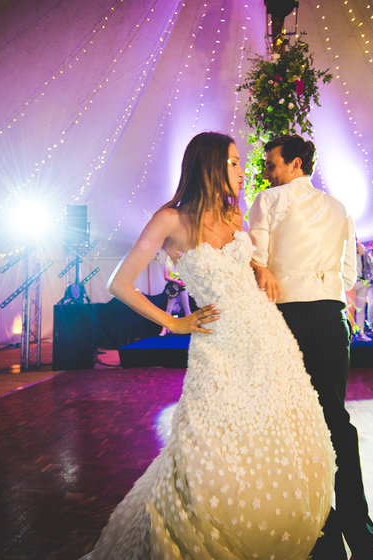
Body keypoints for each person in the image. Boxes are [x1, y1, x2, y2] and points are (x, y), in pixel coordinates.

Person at [84, 132, 336, 559]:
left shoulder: (233, 216)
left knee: (279, 433)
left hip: (269, 339)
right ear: (211, 165)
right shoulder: (170, 220)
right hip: (218, 345)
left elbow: (244, 262)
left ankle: (269, 527)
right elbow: (119, 283)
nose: (243, 171)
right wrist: (173, 323)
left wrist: (260, 268)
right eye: (235, 162)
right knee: (210, 443)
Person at [249, 134, 373, 560]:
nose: (267, 172)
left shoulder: (267, 202)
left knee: (293, 423)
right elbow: (349, 272)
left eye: (272, 164)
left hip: (285, 318)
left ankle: (318, 532)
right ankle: (363, 536)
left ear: (294, 163)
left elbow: (256, 259)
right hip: (330, 316)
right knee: (336, 422)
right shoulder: (339, 208)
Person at [159, 254, 191, 336]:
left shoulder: (183, 262)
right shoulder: (168, 261)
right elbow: (166, 276)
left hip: (182, 286)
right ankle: (164, 330)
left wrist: (183, 281)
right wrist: (177, 282)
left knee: (186, 307)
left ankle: (191, 328)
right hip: (173, 287)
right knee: (168, 309)